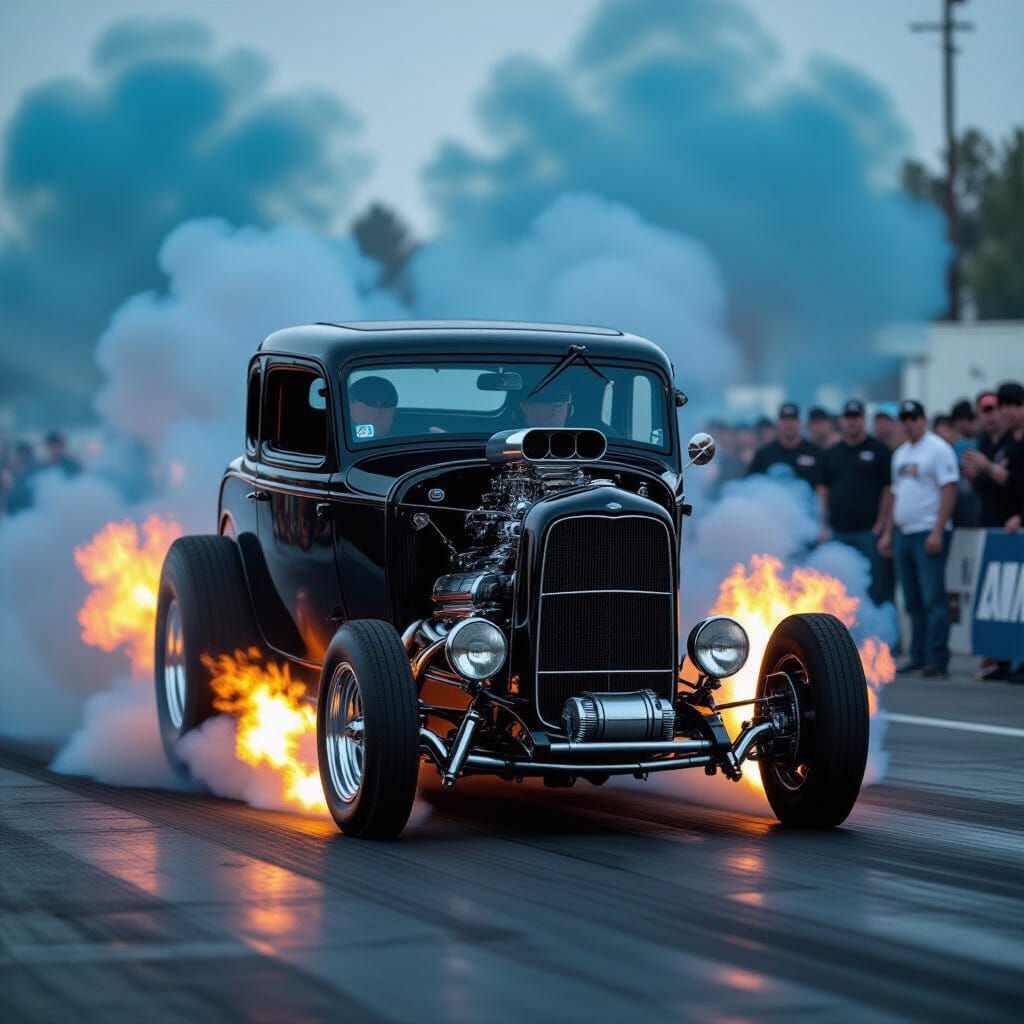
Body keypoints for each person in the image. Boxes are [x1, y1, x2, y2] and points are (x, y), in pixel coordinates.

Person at [879, 400, 959, 677]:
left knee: (933, 598)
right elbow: (895, 495)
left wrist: (938, 530)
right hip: (904, 532)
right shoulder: (899, 454)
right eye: (904, 418)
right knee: (912, 600)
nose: (908, 423)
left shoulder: (938, 449)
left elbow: (949, 489)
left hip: (928, 531)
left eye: (913, 417)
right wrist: (889, 531)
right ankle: (918, 654)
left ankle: (937, 658)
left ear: (923, 419)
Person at [818, 399, 893, 605]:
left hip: (869, 533)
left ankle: (878, 634)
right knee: (839, 587)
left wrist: (883, 526)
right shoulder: (832, 453)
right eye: (849, 418)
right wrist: (823, 526)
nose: (852, 422)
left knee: (875, 588)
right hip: (838, 532)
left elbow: (888, 492)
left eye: (857, 417)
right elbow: (824, 492)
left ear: (864, 420)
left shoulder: (880, 451)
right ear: (842, 421)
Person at [747, 402, 822, 488]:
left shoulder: (814, 452)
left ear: (799, 422)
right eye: (784, 419)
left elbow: (822, 488)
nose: (788, 424)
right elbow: (751, 485)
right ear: (778, 422)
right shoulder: (764, 454)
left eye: (792, 419)